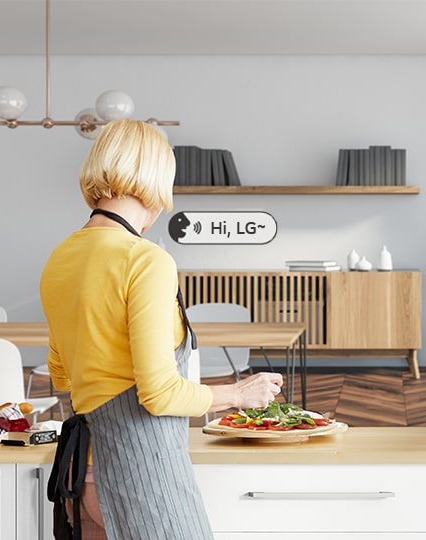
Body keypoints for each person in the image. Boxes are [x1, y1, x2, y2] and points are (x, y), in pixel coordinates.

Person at [40, 118, 283, 539]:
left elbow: (63, 376)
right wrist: (238, 395)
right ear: (155, 179)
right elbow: (159, 393)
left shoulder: (60, 258)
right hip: (141, 476)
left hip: (82, 481)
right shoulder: (146, 260)